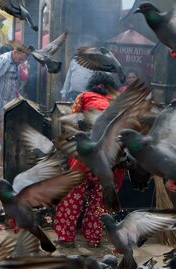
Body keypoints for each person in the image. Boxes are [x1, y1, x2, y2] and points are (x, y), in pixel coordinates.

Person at [53, 72, 125, 248]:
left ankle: (66, 238)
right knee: (98, 200)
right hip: (108, 160)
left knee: (73, 197)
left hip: (84, 159)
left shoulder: (83, 97)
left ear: (92, 84)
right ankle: (93, 238)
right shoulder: (118, 101)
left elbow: (73, 124)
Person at [0, 41, 28, 160]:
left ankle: (4, 159)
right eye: (20, 59)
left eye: (23, 60)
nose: (21, 62)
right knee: (3, 132)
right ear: (15, 52)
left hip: (9, 102)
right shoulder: (4, 61)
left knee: (7, 131)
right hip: (0, 102)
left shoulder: (15, 63)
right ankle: (3, 159)